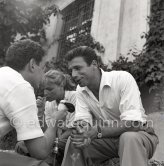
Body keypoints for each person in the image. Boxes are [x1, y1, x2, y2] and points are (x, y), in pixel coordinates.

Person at [61, 46, 159, 166]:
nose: (74, 75)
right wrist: (83, 131)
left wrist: (97, 131)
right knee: (74, 141)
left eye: (78, 68)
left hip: (140, 134)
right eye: (71, 70)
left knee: (128, 137)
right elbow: (83, 120)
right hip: (108, 140)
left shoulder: (122, 78)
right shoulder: (80, 90)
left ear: (94, 64)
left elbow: (134, 123)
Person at [0, 39, 68, 166]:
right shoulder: (21, 86)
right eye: (42, 68)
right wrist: (54, 121)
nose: (43, 75)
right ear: (32, 64)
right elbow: (40, 151)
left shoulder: (4, 75)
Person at [36, 69, 77, 165]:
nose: (45, 93)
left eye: (49, 89)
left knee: (52, 148)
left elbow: (73, 128)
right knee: (22, 145)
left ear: (61, 85)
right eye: (44, 89)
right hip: (59, 140)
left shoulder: (75, 97)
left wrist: (53, 142)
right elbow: (48, 130)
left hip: (73, 138)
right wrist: (41, 112)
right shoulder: (49, 104)